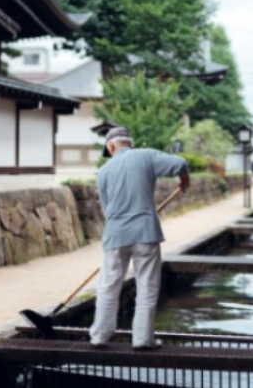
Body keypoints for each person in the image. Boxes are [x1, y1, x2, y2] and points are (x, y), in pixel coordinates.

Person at [89, 126, 190, 350]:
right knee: (147, 286)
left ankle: (99, 337)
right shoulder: (147, 156)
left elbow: (107, 211)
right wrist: (184, 181)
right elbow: (180, 163)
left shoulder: (104, 172)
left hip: (115, 234)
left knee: (107, 287)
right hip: (145, 231)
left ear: (111, 146)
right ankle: (142, 340)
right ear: (130, 143)